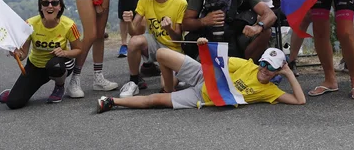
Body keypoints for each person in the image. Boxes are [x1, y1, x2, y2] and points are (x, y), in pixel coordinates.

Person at [96, 39, 306, 113]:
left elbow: (299, 100)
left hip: (203, 97)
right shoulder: (248, 65)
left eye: (270, 67)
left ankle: (111, 102)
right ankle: (170, 85)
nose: (264, 68)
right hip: (205, 75)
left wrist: (288, 73)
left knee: (155, 101)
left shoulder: (270, 91)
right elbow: (217, 61)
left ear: (277, 70)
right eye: (262, 62)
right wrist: (205, 46)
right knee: (161, 54)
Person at [0, 0, 82, 109]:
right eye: (45, 3)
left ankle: (59, 86)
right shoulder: (30, 24)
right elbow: (23, 54)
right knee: (13, 103)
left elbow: (79, 50)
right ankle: (16, 91)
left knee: (55, 65)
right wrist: (16, 53)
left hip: (59, 64)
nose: (50, 6)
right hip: (36, 66)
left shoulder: (69, 25)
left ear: (60, 7)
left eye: (54, 3)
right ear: (41, 7)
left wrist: (65, 52)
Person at [117, 0, 187, 96]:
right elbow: (133, 33)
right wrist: (128, 22)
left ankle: (177, 74)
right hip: (155, 43)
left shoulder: (180, 3)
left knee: (166, 86)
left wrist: (169, 29)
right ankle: (134, 81)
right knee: (134, 42)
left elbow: (178, 38)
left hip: (172, 49)